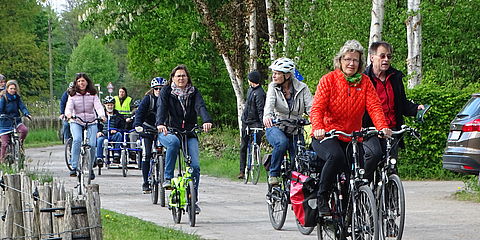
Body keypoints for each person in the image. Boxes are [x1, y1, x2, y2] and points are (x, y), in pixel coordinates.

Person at [310, 40, 392, 216]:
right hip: (328, 135)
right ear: (340, 60)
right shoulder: (329, 80)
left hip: (352, 137)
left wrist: (383, 127)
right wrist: (318, 127)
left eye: (355, 60)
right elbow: (317, 108)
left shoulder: (365, 82)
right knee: (336, 157)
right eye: (347, 59)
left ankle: (349, 216)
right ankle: (322, 196)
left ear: (360, 63)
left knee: (354, 175)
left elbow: (375, 107)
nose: (351, 63)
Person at [362, 41, 425, 180]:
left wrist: (416, 109)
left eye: (389, 57)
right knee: (375, 154)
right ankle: (364, 185)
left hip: (391, 129)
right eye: (382, 56)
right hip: (371, 129)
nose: (386, 60)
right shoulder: (364, 79)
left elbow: (401, 103)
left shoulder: (395, 77)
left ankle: (390, 196)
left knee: (391, 165)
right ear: (372, 57)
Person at [156, 65, 212, 213]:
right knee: (173, 143)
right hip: (169, 130)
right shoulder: (166, 91)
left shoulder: (194, 92)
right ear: (172, 78)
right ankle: (167, 178)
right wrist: (160, 123)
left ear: (188, 78)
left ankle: (193, 200)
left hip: (189, 132)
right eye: (178, 76)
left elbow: (201, 106)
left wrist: (206, 120)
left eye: (184, 76)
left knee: (195, 166)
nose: (181, 78)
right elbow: (161, 108)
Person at [263, 57, 313, 185]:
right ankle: (273, 174)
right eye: (273, 73)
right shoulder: (272, 87)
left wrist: (317, 119)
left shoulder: (302, 88)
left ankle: (294, 186)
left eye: (277, 73)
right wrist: (267, 116)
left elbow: (311, 108)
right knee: (282, 142)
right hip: (276, 125)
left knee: (299, 158)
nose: (273, 76)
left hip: (295, 127)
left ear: (287, 75)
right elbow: (269, 104)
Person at [65, 73, 106, 179]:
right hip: (76, 121)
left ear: (87, 82)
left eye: (83, 81)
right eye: (78, 81)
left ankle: (91, 167)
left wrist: (102, 115)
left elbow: (98, 107)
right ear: (76, 83)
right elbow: (68, 108)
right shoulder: (72, 95)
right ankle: (74, 167)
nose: (81, 83)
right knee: (77, 140)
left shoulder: (93, 94)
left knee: (92, 144)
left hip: (91, 121)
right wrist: (69, 115)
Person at [134, 77, 167, 193]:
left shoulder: (169, 99)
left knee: (167, 152)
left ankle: (165, 177)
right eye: (156, 88)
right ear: (152, 89)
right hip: (147, 129)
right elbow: (139, 113)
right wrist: (138, 125)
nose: (158, 91)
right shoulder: (148, 99)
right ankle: (145, 182)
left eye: (161, 89)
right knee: (146, 154)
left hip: (163, 130)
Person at [238, 71, 266, 179]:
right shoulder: (250, 90)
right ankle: (242, 170)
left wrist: (262, 124)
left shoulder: (260, 93)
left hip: (256, 122)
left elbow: (260, 110)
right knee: (243, 146)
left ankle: (255, 163)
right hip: (246, 121)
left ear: (252, 80)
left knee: (256, 144)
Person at [0, 80, 31, 162]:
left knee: (24, 130)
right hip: (5, 122)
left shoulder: (17, 98)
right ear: (7, 89)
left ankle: (19, 144)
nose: (13, 90)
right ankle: (2, 160)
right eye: (11, 88)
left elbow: (22, 106)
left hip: (16, 120)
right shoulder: (4, 98)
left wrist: (26, 113)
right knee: (4, 143)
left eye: (14, 89)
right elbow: (0, 108)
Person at [96, 96, 125, 166]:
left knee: (119, 135)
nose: (110, 107)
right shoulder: (100, 115)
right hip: (104, 135)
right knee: (99, 140)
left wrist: (116, 130)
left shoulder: (118, 116)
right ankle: (99, 158)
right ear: (105, 105)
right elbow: (96, 125)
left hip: (113, 135)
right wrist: (98, 131)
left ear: (114, 105)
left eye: (111, 105)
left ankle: (116, 155)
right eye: (108, 105)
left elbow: (123, 127)